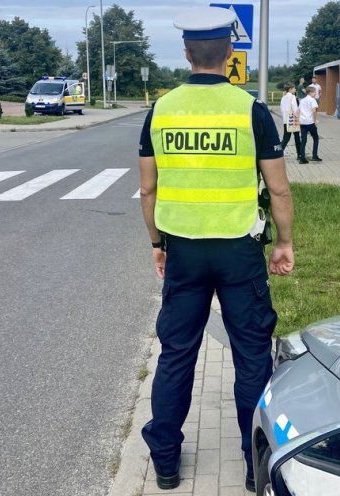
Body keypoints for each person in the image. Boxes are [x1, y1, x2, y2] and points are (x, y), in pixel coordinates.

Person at [137, 6, 295, 492]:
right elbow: (280, 188)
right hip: (239, 252)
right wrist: (285, 241)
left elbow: (148, 191)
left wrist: (157, 244)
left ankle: (164, 462)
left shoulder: (160, 111)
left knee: (176, 354)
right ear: (229, 53)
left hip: (183, 250)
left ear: (186, 53)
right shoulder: (251, 110)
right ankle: (255, 466)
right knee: (251, 357)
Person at [280, 83, 306, 163]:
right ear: (290, 89)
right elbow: (295, 109)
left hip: (286, 120)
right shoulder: (293, 97)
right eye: (294, 88)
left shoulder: (283, 97)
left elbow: (281, 108)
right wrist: (298, 116)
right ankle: (299, 154)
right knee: (297, 137)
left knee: (285, 138)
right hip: (293, 119)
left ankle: (278, 153)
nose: (295, 90)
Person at [298, 86, 322, 162]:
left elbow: (297, 111)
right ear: (310, 92)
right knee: (315, 138)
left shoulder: (302, 100)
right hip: (310, 122)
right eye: (314, 92)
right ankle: (314, 156)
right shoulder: (312, 100)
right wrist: (315, 121)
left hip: (302, 122)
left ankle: (302, 158)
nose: (316, 93)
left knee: (303, 140)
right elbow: (314, 111)